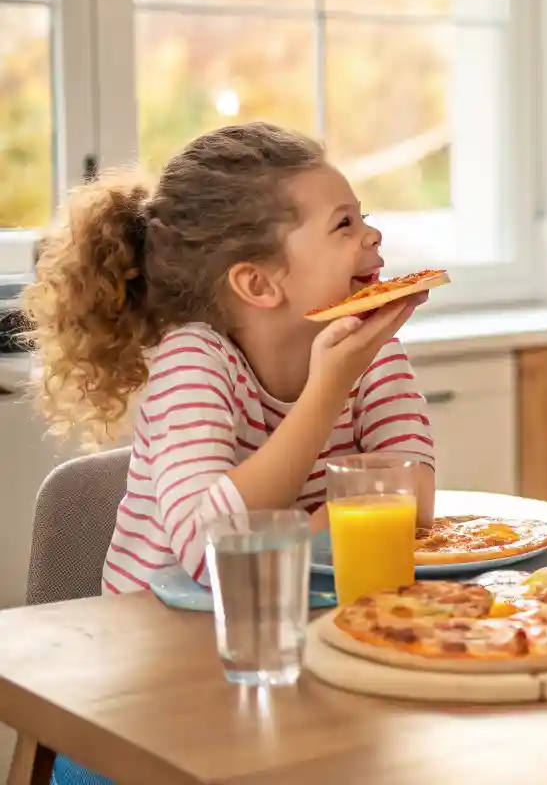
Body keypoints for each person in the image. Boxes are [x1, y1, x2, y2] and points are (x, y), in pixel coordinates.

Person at [22, 122, 437, 596]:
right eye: (344, 224)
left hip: (294, 620)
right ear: (258, 284)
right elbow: (211, 552)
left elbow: (414, 504)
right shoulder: (194, 363)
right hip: (159, 642)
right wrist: (329, 389)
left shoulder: (374, 352)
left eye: (362, 218)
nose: (374, 235)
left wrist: (280, 540)